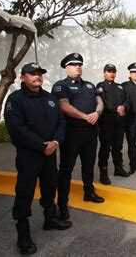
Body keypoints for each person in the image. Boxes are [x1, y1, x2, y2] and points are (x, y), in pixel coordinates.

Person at [5, 63, 72, 255]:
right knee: (25, 191)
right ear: (23, 77)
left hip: (50, 152)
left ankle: (49, 219)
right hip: (29, 155)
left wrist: (56, 142)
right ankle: (23, 234)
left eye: (39, 74)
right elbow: (17, 129)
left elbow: (61, 122)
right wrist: (42, 145)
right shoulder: (15, 100)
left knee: (50, 185)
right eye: (32, 74)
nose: (37, 77)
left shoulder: (49, 97)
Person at [52, 53, 105, 223]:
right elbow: (63, 106)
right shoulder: (61, 86)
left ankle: (88, 193)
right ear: (66, 67)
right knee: (66, 169)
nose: (78, 67)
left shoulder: (90, 85)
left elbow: (100, 101)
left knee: (88, 165)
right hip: (71, 134)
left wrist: (97, 113)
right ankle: (62, 204)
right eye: (74, 64)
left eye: (80, 64)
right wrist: (85, 116)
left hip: (90, 133)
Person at [96, 63, 129, 185]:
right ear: (104, 73)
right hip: (106, 123)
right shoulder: (100, 86)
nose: (112, 73)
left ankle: (118, 168)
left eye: (114, 71)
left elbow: (127, 100)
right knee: (105, 148)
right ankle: (103, 172)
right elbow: (103, 101)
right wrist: (117, 108)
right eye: (109, 71)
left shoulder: (120, 87)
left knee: (118, 146)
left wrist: (124, 107)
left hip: (119, 122)